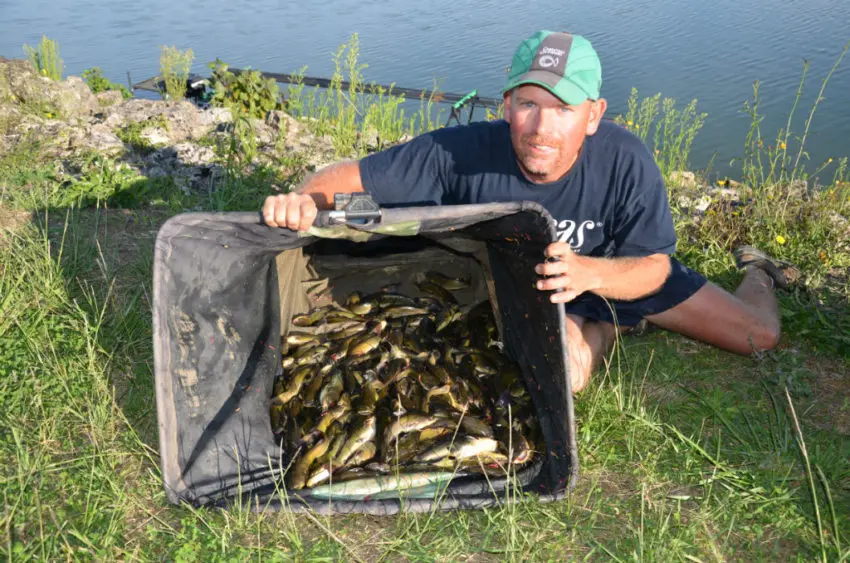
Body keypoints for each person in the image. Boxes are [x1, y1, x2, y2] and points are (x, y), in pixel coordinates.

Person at [262, 30, 798, 394]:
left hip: (618, 272)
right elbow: (351, 183)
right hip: (530, 283)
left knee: (759, 337)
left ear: (593, 116)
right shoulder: (459, 152)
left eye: (563, 109)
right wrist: (305, 199)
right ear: (506, 106)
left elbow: (654, 266)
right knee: (569, 371)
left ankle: (757, 270)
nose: (542, 129)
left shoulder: (626, 158)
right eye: (528, 105)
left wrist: (589, 274)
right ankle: (605, 329)